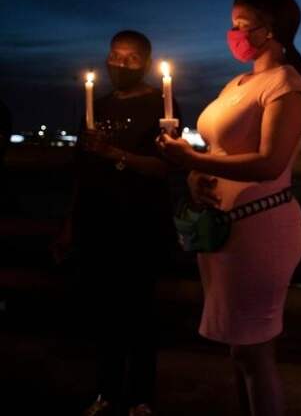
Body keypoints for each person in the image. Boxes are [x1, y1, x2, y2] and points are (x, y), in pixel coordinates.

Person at [156, 0, 301, 416]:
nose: (234, 34)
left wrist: (191, 157)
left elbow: (269, 162)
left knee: (255, 352)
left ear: (272, 29)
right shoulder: (238, 83)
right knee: (240, 352)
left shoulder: (286, 84)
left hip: (260, 228)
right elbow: (221, 154)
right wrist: (194, 172)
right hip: (225, 228)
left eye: (243, 25)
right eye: (233, 24)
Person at [63, 30, 179, 416]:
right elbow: (82, 170)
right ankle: (106, 391)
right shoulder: (99, 104)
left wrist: (113, 152)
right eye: (115, 55)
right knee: (104, 313)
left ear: (146, 63)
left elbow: (163, 168)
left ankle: (141, 397)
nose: (120, 64)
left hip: (140, 223)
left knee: (141, 313)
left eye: (131, 58)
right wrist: (69, 223)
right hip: (99, 222)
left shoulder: (161, 104)